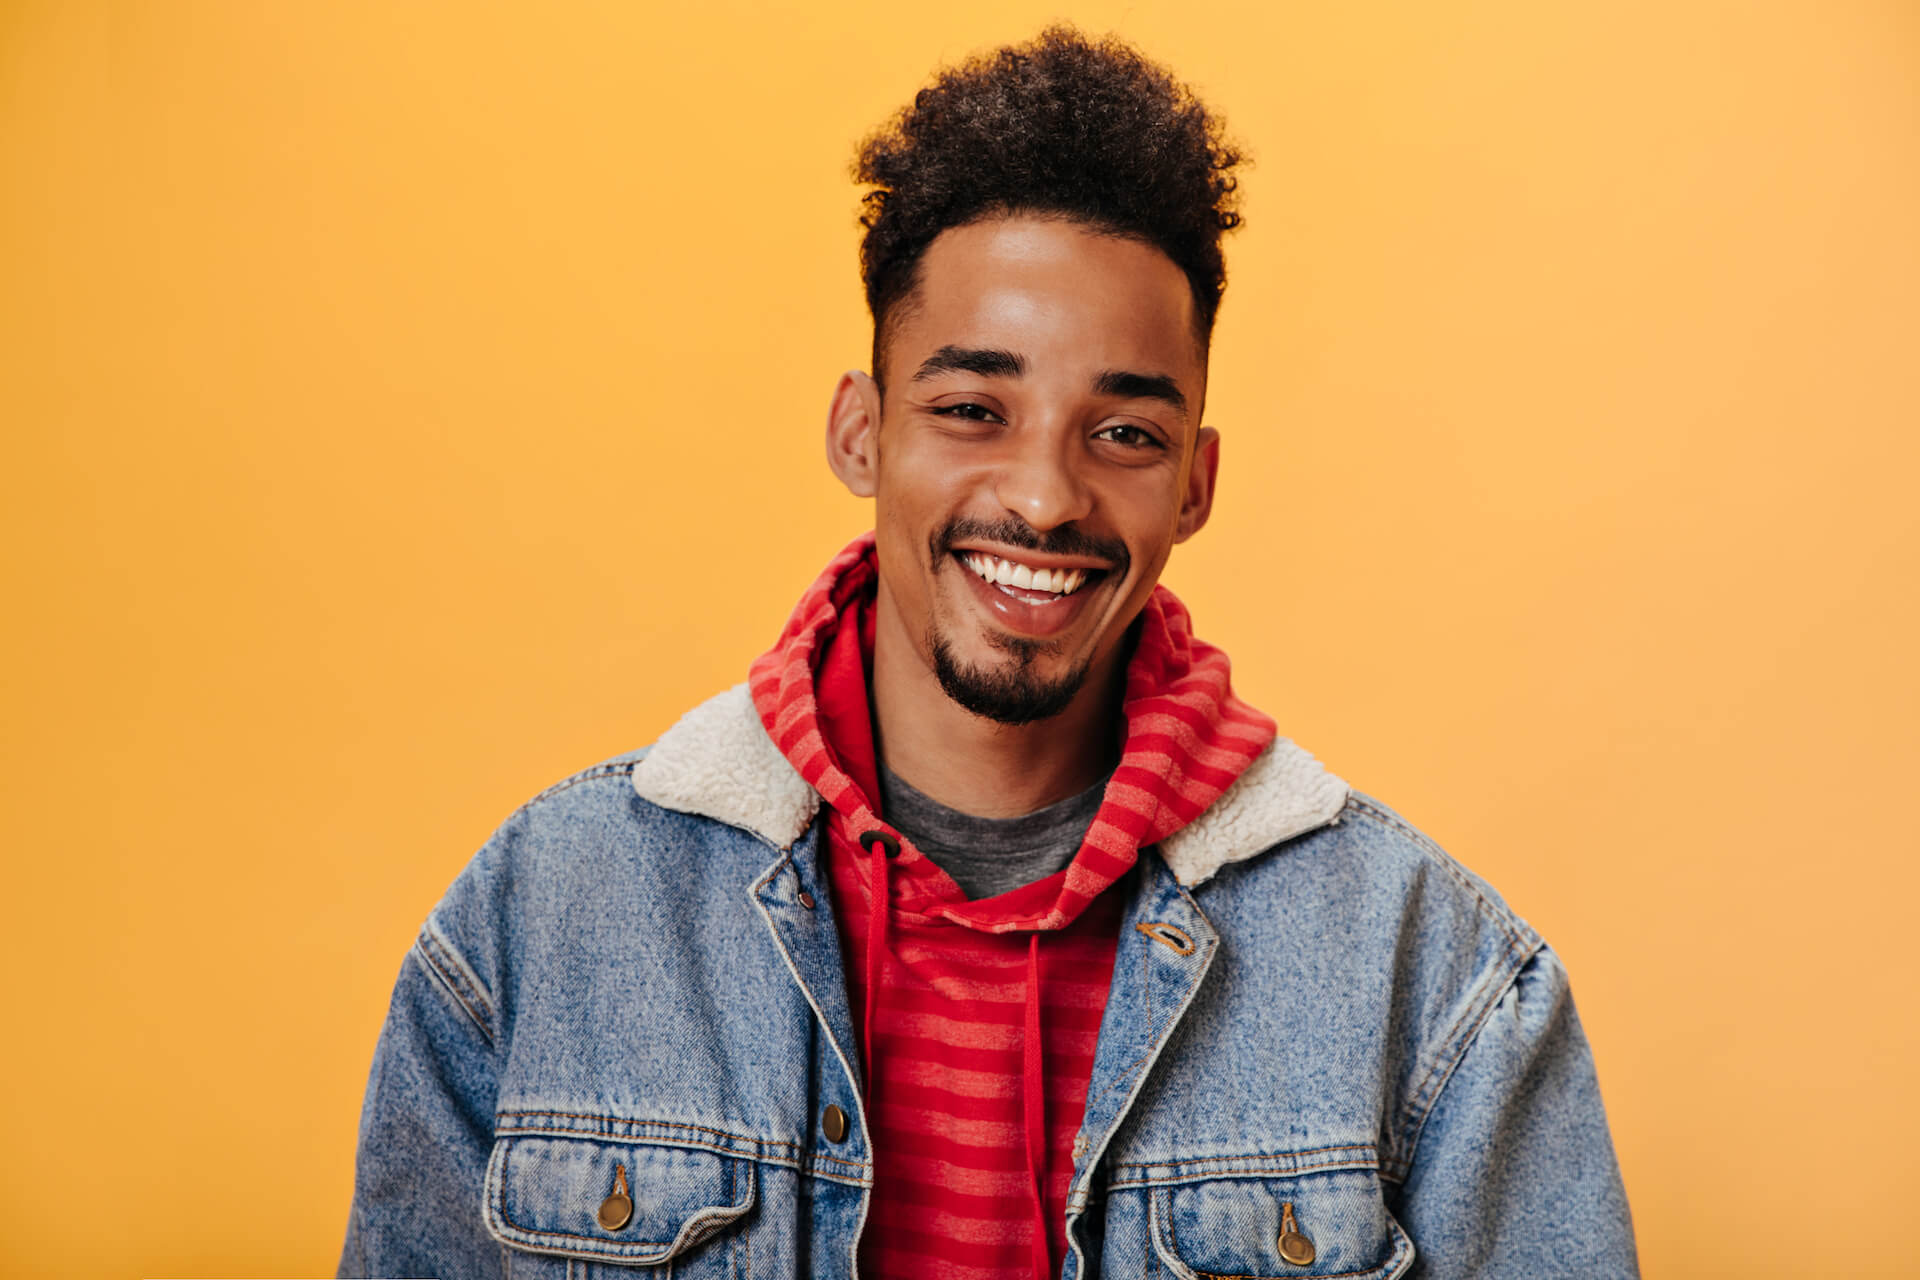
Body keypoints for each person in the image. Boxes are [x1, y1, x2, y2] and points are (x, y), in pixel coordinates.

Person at [338, 26, 1637, 1280]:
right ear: (861, 432)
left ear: (1196, 482)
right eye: (972, 409)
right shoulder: (540, 921)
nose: (1044, 498)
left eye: (1124, 433)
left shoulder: (1443, 988)